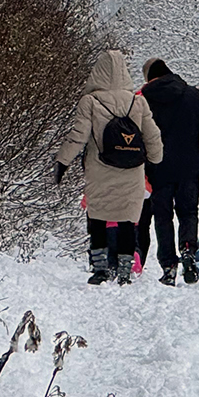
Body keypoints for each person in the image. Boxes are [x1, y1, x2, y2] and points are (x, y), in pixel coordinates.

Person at [55, 50, 165, 285]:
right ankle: (125, 271)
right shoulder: (138, 101)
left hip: (99, 169)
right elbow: (152, 136)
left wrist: (62, 162)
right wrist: (155, 161)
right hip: (132, 170)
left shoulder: (91, 101)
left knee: (98, 218)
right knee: (127, 220)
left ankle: (101, 269)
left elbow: (78, 136)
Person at [137, 57, 199, 285]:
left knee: (163, 217)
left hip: (158, 168)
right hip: (190, 167)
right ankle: (189, 249)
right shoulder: (194, 95)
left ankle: (168, 266)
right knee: (188, 212)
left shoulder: (143, 100)